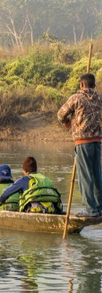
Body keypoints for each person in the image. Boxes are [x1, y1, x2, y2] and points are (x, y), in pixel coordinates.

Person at [57, 73, 102, 217]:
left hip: (83, 142)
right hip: (97, 141)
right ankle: (99, 207)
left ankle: (90, 209)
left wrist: (66, 122)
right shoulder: (99, 99)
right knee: (97, 174)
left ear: (81, 85)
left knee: (85, 176)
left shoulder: (76, 98)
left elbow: (61, 114)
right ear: (94, 86)